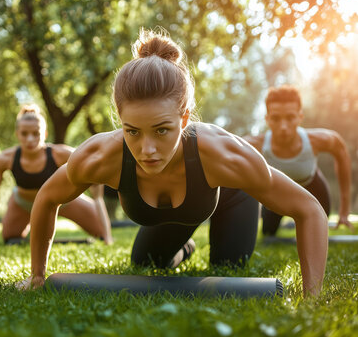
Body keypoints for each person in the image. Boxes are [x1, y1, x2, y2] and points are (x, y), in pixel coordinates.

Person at [17, 29, 328, 297]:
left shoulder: (224, 153)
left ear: (184, 118)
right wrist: (37, 276)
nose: (147, 149)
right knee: (144, 263)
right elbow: (47, 198)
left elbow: (308, 209)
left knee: (227, 267)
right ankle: (187, 247)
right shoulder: (100, 156)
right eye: (132, 131)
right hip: (182, 210)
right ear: (120, 121)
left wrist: (312, 296)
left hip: (229, 194)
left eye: (162, 130)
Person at [0, 104, 112, 244]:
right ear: (17, 134)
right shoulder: (4, 159)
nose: (30, 139)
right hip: (24, 203)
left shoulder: (62, 154)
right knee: (10, 236)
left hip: (63, 201)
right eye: (24, 134)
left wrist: (107, 236)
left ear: (44, 134)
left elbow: (97, 187)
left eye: (36, 134)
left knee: (101, 232)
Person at [245, 85, 354, 235]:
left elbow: (341, 151)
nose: (283, 126)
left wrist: (344, 211)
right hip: (277, 194)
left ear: (300, 117)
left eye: (290, 117)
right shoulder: (255, 144)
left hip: (312, 187)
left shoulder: (318, 140)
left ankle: (298, 221)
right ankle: (291, 223)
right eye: (276, 118)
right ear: (267, 119)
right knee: (268, 233)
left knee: (319, 227)